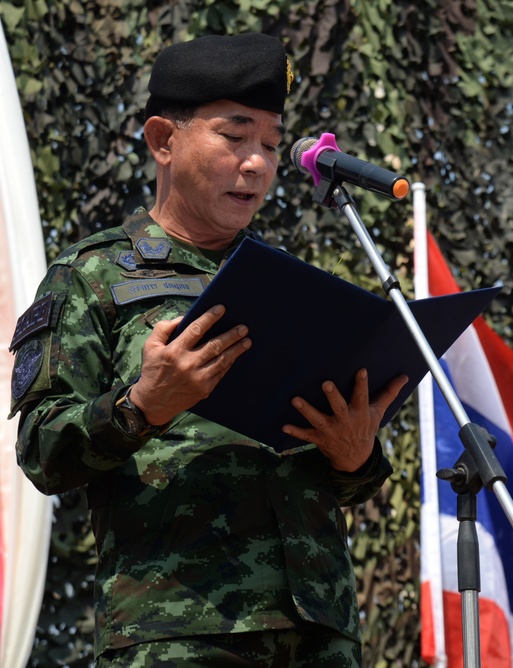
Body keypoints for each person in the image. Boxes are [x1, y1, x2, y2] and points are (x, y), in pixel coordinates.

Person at [8, 33, 406, 666]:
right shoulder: (94, 274)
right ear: (164, 140)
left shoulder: (292, 287)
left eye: (273, 144)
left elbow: (341, 482)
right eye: (235, 136)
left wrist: (355, 456)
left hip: (318, 631)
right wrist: (142, 405)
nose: (257, 163)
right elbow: (41, 452)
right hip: (177, 633)